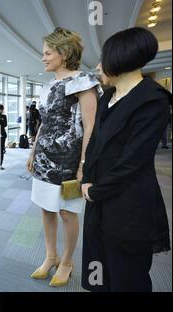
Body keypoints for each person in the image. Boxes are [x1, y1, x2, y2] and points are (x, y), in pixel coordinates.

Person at [81, 27, 171, 292]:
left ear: (119, 58)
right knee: (98, 269)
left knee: (126, 276)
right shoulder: (107, 95)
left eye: (103, 59)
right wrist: (87, 178)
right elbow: (95, 142)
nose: (98, 66)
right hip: (97, 198)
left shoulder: (153, 101)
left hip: (127, 204)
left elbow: (133, 162)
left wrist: (95, 191)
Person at [27, 27, 101, 287]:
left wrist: (84, 165)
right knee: (46, 209)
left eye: (47, 53)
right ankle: (50, 257)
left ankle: (67, 261)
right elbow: (44, 123)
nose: (43, 57)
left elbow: (90, 126)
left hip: (70, 163)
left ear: (63, 52)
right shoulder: (48, 85)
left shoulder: (83, 81)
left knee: (68, 213)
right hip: (45, 160)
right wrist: (34, 150)